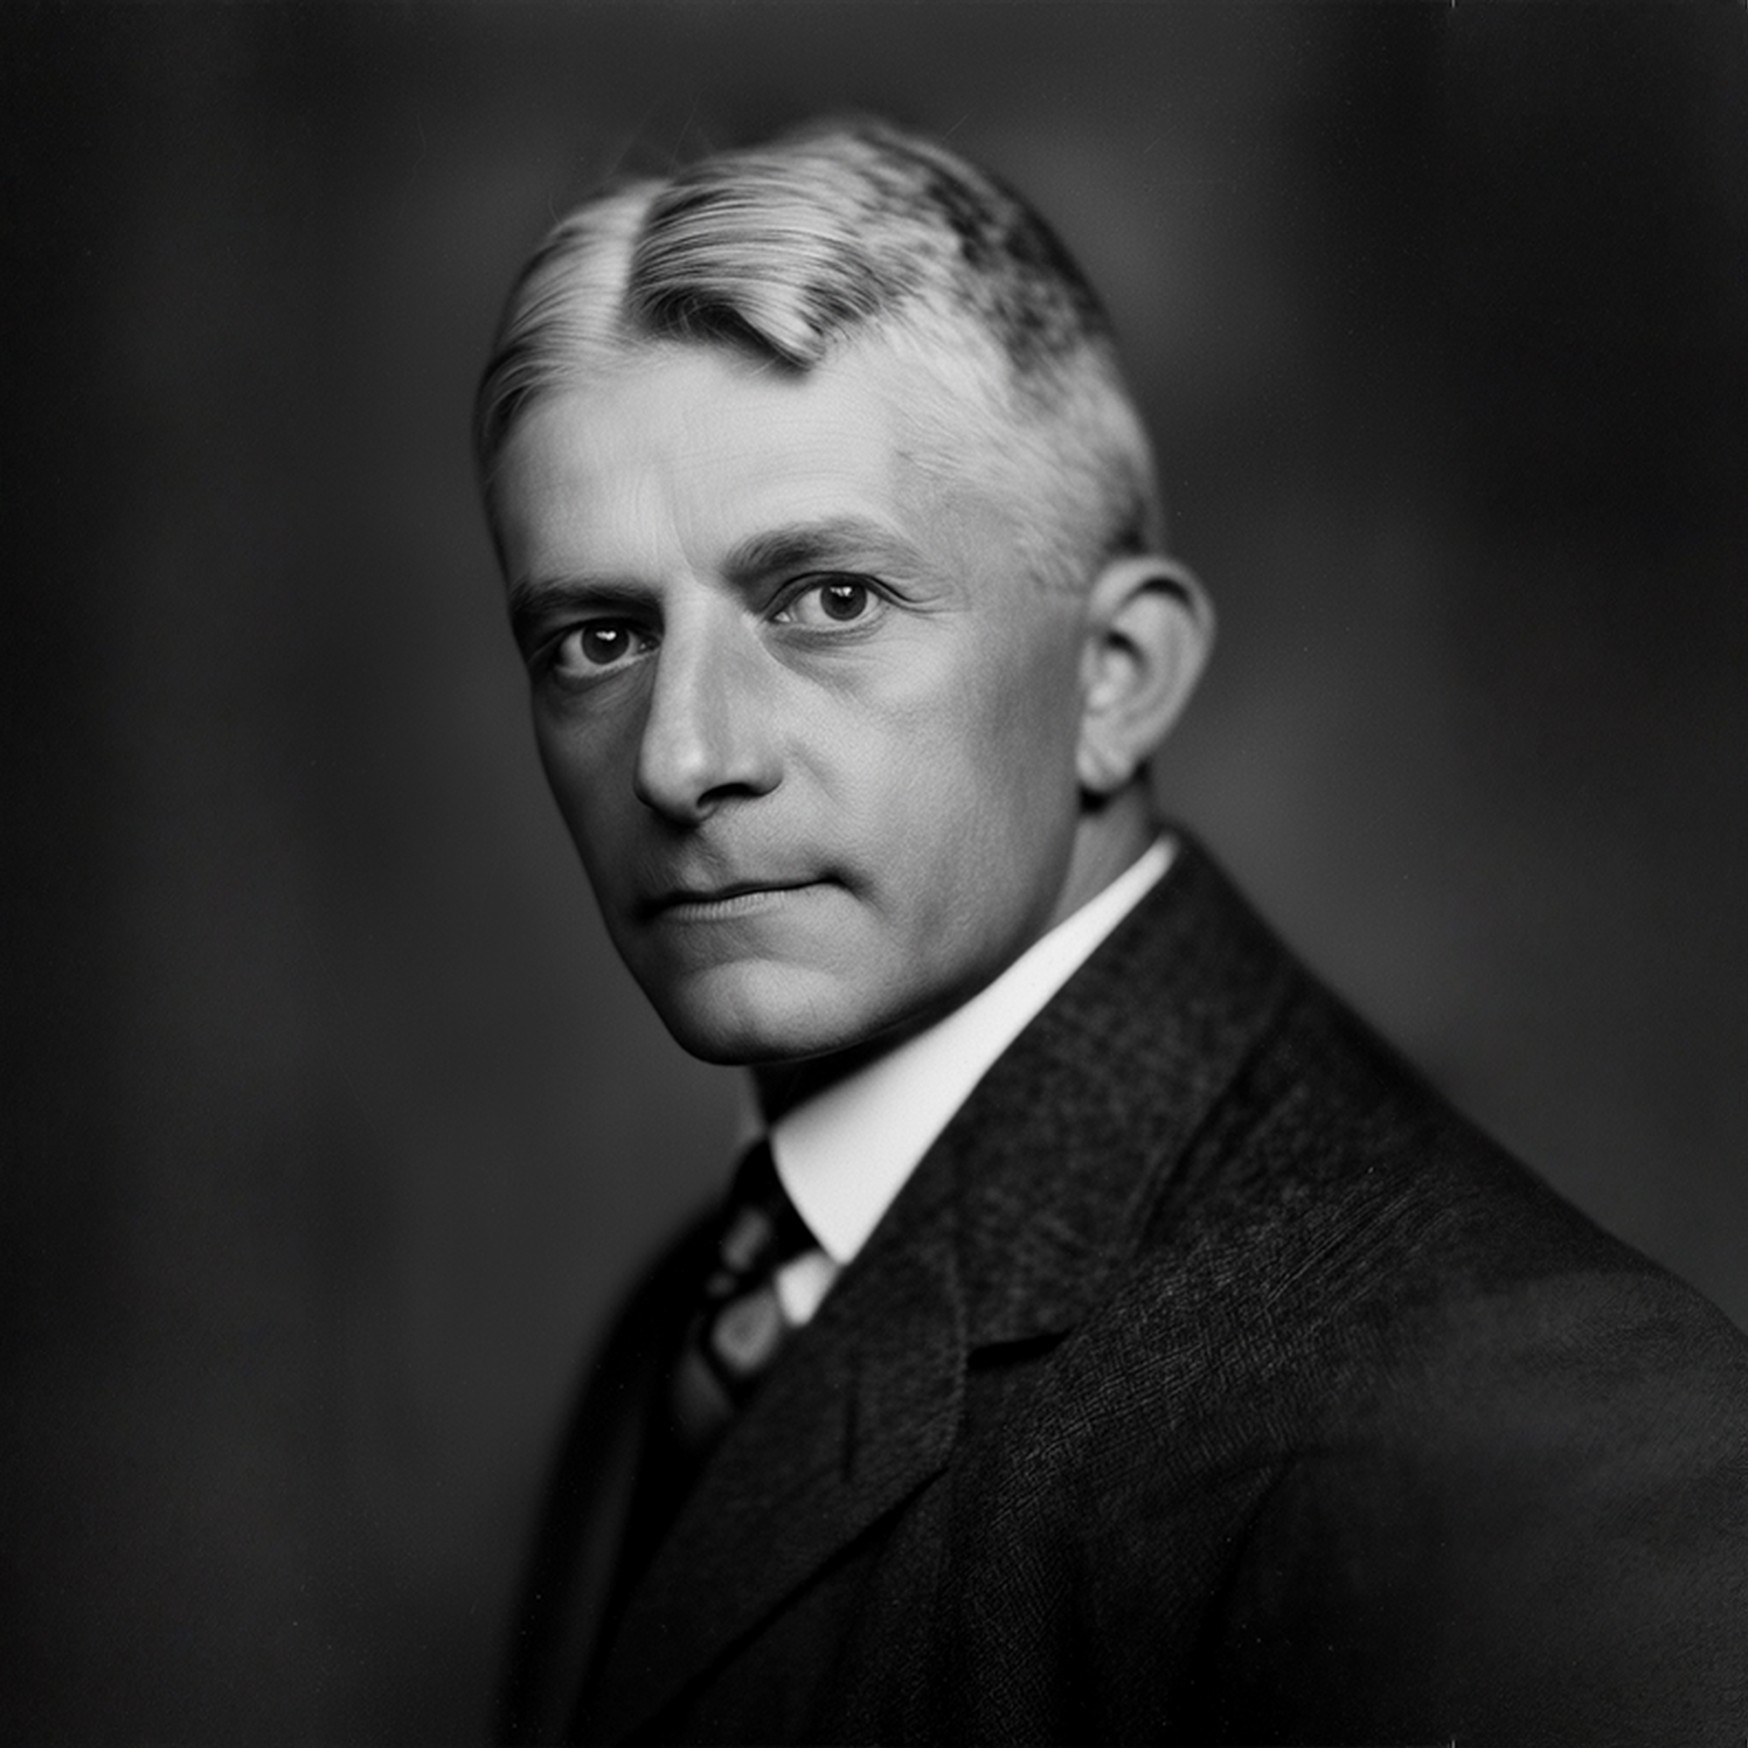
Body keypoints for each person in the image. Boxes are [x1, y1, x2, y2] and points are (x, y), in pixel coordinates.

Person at [473, 118, 1748, 1745]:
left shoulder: (1517, 1412)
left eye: (830, 601)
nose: (681, 755)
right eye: (596, 638)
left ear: (1117, 678)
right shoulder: (690, 1315)